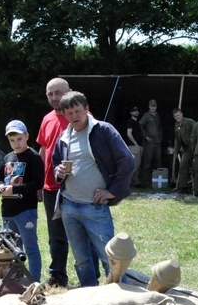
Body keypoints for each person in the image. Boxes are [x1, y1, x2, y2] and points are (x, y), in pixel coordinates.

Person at [52, 91, 134, 287]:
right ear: (64, 115)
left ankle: (120, 296)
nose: (74, 116)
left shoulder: (103, 130)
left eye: (77, 111)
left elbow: (127, 161)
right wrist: (59, 171)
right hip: (69, 207)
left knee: (110, 258)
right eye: (69, 113)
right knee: (81, 260)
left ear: (87, 109)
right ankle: (90, 297)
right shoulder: (64, 137)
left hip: (95, 207)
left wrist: (112, 191)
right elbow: (56, 162)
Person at [0, 120, 45, 281]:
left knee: (30, 247)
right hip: (7, 211)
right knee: (12, 249)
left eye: (19, 139)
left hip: (26, 211)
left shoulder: (34, 157)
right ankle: (16, 279)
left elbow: (38, 183)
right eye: (12, 140)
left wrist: (15, 189)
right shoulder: (7, 157)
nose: (16, 144)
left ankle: (34, 280)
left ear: (26, 136)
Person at [37, 77, 72, 287]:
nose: (54, 97)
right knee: (56, 236)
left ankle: (90, 278)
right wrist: (40, 183)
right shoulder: (47, 119)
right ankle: (58, 277)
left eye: (58, 92)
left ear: (69, 91)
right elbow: (43, 150)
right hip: (51, 188)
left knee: (81, 235)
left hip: (74, 187)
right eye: (50, 94)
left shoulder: (80, 117)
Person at [139, 99, 163, 187]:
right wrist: (146, 136)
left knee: (158, 162)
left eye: (155, 106)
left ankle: (158, 182)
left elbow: (160, 127)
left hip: (157, 142)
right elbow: (140, 125)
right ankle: (145, 182)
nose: (153, 108)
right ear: (149, 107)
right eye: (152, 106)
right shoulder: (146, 116)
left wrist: (160, 137)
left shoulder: (157, 116)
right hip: (149, 143)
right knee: (147, 163)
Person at [171, 108, 195, 193]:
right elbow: (178, 140)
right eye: (175, 116)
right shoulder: (176, 125)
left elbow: (196, 134)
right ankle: (182, 187)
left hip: (195, 147)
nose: (177, 117)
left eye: (178, 115)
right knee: (183, 166)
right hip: (187, 148)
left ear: (182, 114)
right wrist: (176, 151)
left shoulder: (190, 122)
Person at [125, 106, 143, 188]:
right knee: (134, 166)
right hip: (133, 146)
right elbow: (129, 133)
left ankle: (135, 182)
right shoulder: (130, 121)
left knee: (138, 165)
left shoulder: (137, 123)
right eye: (134, 111)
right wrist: (135, 144)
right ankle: (126, 183)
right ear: (131, 113)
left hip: (139, 146)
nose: (136, 112)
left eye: (137, 111)